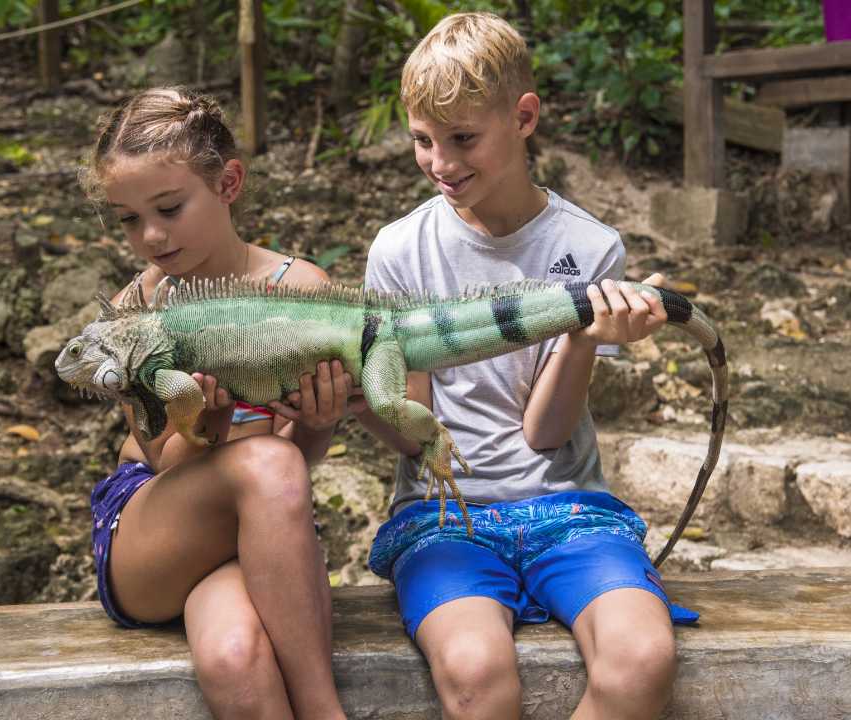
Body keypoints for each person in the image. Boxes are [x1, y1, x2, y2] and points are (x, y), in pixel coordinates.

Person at [355, 13, 697, 720]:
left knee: (642, 658)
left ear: (524, 117)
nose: (441, 163)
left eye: (463, 139)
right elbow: (414, 436)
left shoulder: (589, 246)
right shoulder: (400, 250)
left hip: (568, 507)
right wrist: (360, 398)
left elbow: (545, 436)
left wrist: (580, 334)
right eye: (423, 140)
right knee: (476, 674)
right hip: (444, 514)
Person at [80, 86, 352, 720]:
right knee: (265, 462)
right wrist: (212, 419)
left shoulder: (300, 290)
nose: (149, 235)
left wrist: (320, 423)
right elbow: (166, 459)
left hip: (258, 529)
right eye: (127, 218)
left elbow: (295, 467)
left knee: (234, 657)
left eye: (169, 208)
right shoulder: (137, 311)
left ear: (228, 183)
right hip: (158, 526)